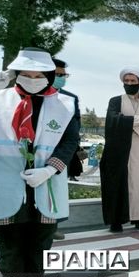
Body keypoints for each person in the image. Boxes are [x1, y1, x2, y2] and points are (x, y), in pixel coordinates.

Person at [0, 48, 80, 277]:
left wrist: (50, 169)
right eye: (26, 75)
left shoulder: (64, 103)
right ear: (16, 74)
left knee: (40, 244)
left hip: (44, 184)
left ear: (48, 76)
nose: (32, 79)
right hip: (5, 184)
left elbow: (69, 141)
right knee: (9, 246)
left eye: (38, 75)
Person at [100, 67, 139, 232]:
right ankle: (117, 221)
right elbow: (113, 121)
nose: (129, 83)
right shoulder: (115, 101)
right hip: (121, 152)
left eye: (132, 81)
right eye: (126, 81)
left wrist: (129, 124)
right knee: (119, 184)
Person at [50, 58, 81, 240]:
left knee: (57, 190)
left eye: (63, 75)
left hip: (61, 151)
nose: (61, 78)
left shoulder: (70, 98)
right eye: (57, 74)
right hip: (36, 151)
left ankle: (52, 225)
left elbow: (75, 124)